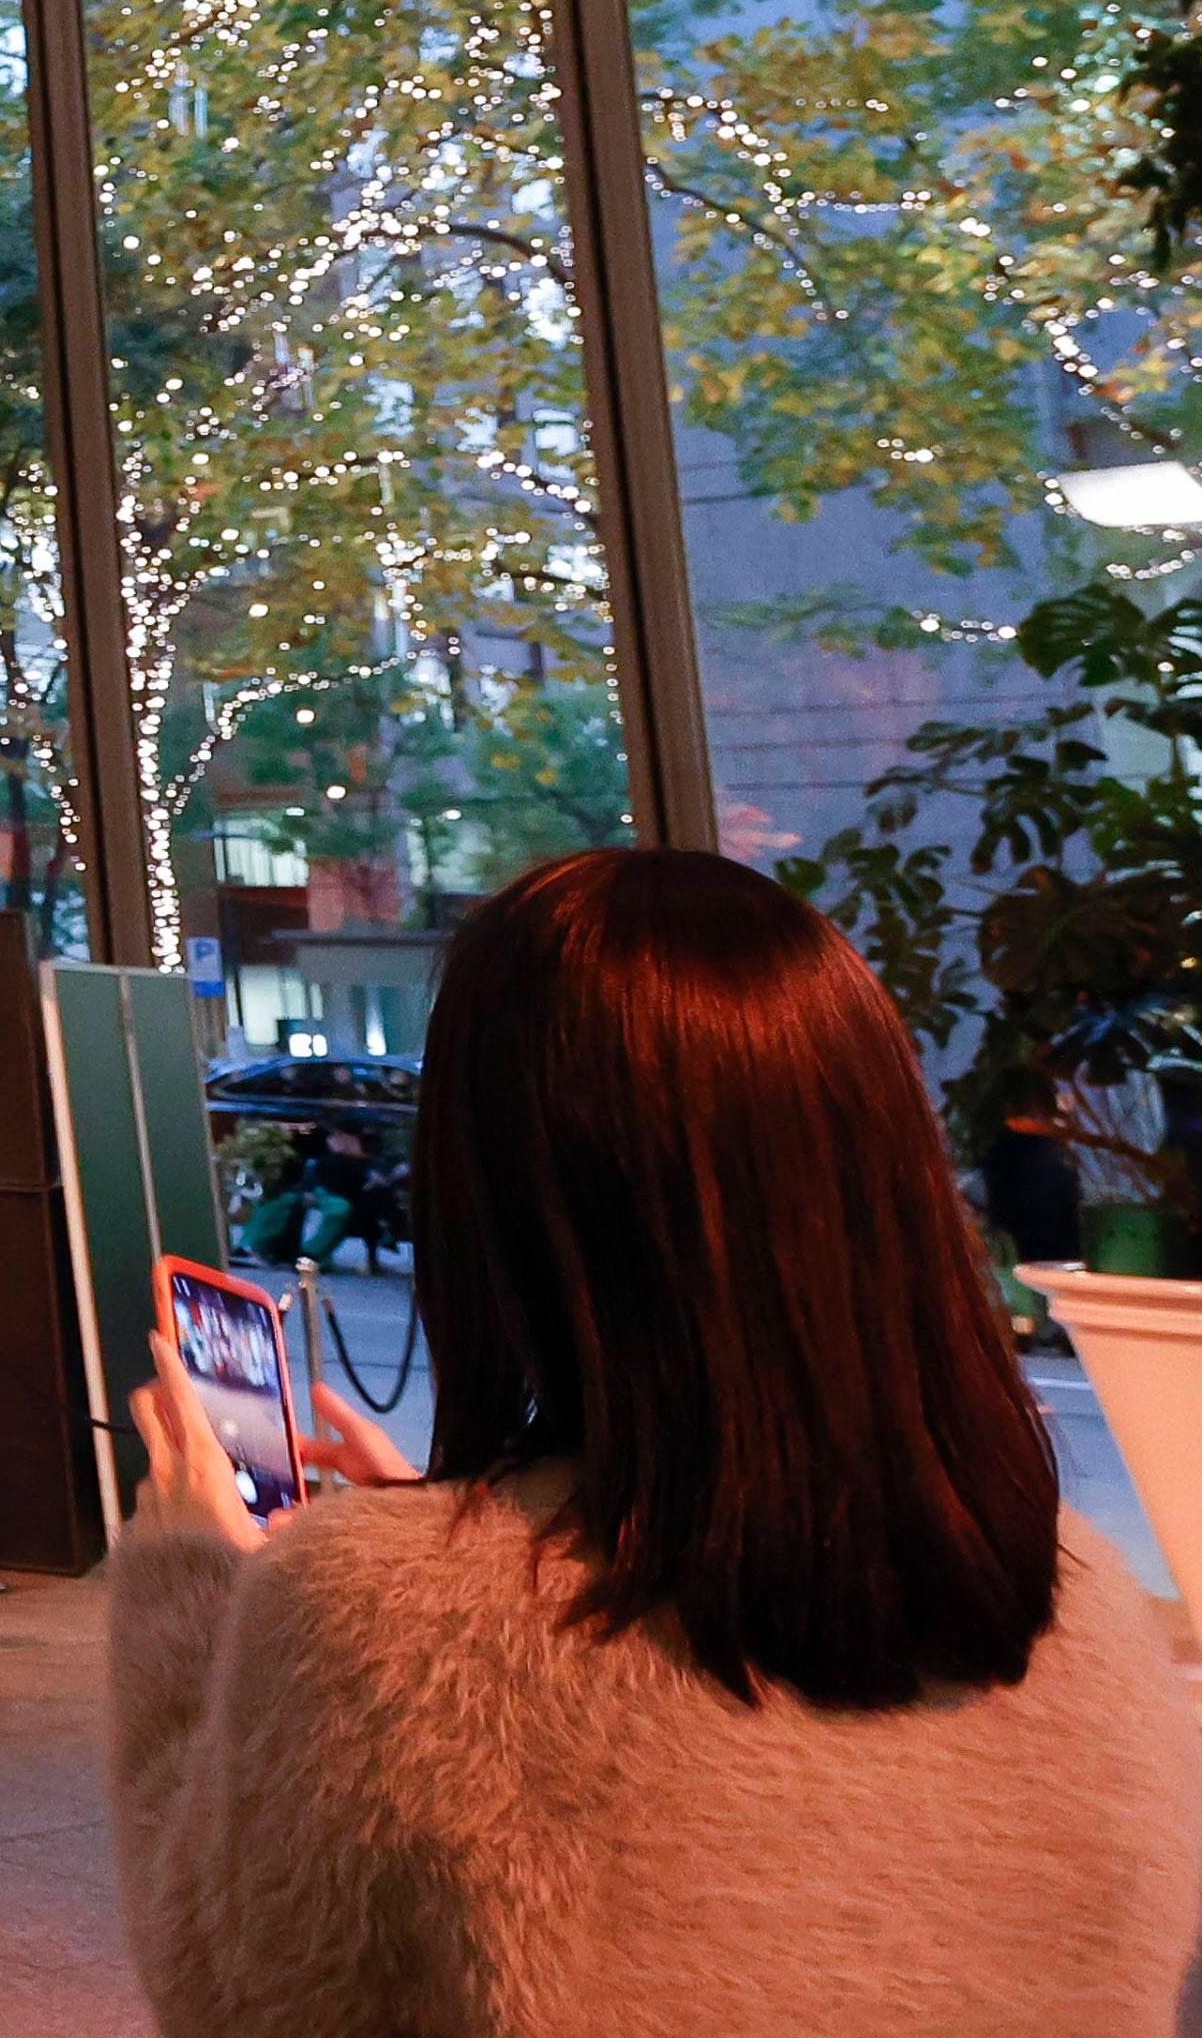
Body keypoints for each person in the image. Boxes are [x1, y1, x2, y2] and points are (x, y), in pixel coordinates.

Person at [108, 849, 1202, 2036]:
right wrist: (466, 1520)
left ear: (500, 1200)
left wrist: (189, 1575)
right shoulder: (1090, 1616)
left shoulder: (383, 1615)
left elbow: (234, 1993)